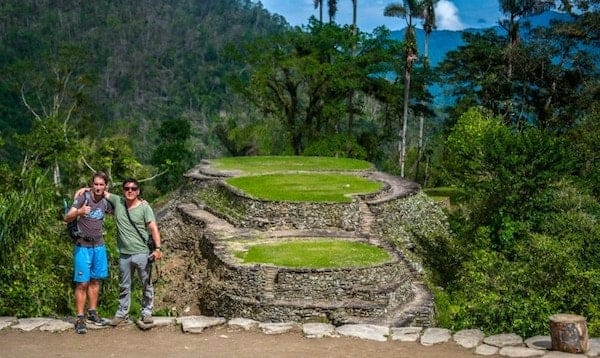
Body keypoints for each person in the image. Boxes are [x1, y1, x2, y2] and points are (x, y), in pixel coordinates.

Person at [104, 178, 162, 326]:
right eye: (127, 188)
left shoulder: (144, 207)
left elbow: (153, 228)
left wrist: (158, 248)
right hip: (124, 254)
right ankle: (122, 314)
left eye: (133, 188)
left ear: (138, 191)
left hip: (142, 252)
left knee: (146, 284)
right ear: (123, 190)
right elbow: (100, 191)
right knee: (124, 286)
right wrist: (83, 190)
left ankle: (147, 313)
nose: (130, 191)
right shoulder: (118, 202)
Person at [64, 171, 113, 334]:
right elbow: (67, 217)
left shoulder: (106, 201)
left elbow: (123, 204)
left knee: (95, 281)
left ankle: (92, 312)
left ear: (105, 186)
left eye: (101, 184)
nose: (98, 187)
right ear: (92, 184)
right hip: (82, 246)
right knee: (82, 283)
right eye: (96, 184)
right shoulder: (83, 197)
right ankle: (79, 317)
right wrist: (79, 212)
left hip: (99, 245)